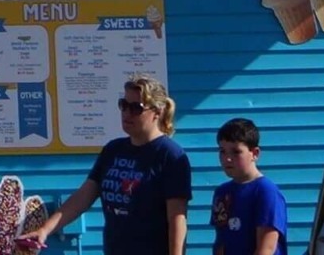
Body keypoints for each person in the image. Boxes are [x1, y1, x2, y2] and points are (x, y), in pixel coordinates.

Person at [35, 75, 193, 255]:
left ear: (157, 112)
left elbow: (177, 218)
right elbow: (83, 197)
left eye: (136, 108)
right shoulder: (113, 150)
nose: (127, 113)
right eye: (123, 105)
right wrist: (45, 230)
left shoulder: (170, 155)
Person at [211, 118, 286, 255]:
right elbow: (221, 242)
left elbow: (266, 248)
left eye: (236, 152)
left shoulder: (266, 191)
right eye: (222, 151)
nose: (227, 158)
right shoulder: (222, 192)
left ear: (255, 153)